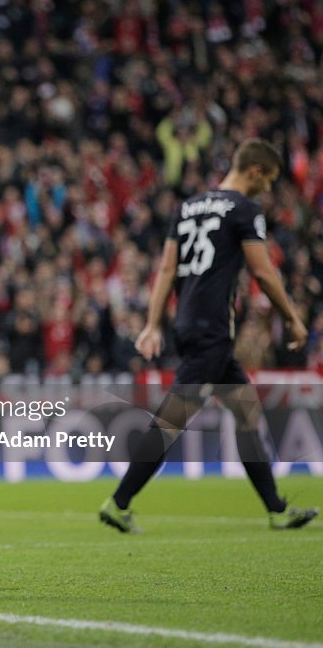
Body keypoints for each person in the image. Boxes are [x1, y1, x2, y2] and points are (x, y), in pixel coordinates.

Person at [99, 139, 318, 533]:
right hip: (212, 330)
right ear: (255, 172)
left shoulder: (186, 208)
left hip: (189, 324)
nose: (268, 189)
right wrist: (292, 318)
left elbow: (166, 270)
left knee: (246, 413)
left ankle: (276, 508)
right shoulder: (244, 209)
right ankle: (118, 502)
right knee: (171, 421)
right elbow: (263, 271)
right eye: (268, 180)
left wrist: (153, 323)